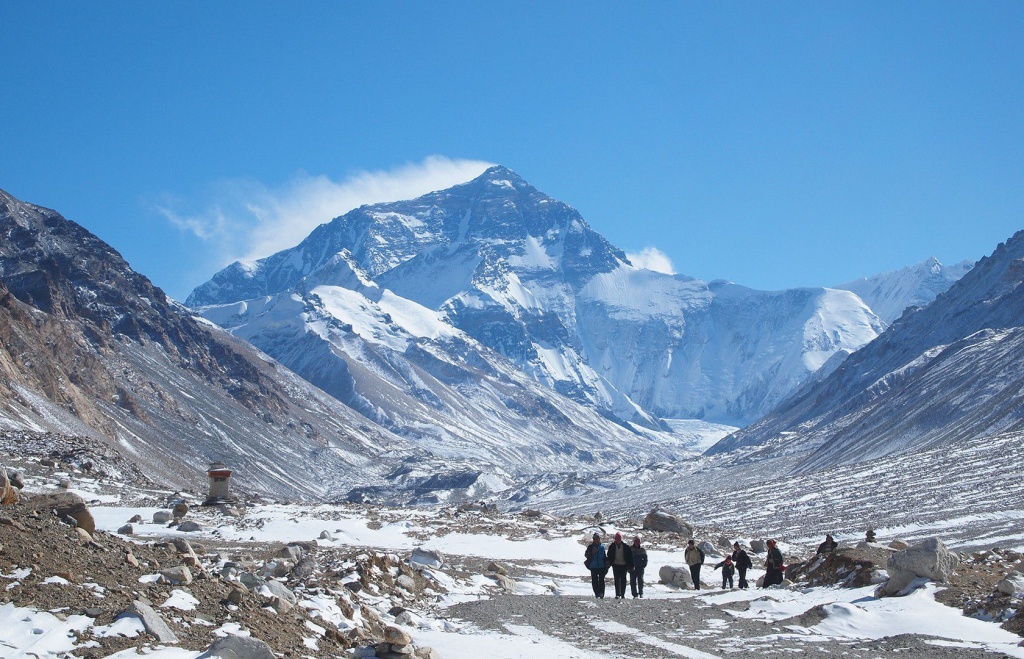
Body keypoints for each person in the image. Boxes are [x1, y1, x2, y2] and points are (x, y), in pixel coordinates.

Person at [605, 532, 634, 599]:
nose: (618, 539)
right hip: (615, 565)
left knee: (623, 580)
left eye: (619, 538)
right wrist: (608, 563)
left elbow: (630, 557)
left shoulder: (626, 547)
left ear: (621, 539)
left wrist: (631, 566)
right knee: (617, 579)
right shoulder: (612, 546)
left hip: (624, 565)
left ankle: (623, 594)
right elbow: (609, 555)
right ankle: (618, 594)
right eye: (616, 538)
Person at [584, 532, 608, 598]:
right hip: (593, 566)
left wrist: (606, 565)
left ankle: (601, 593)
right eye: (595, 539)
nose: (596, 540)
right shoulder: (590, 547)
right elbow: (586, 555)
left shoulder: (602, 547)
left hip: (601, 566)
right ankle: (596, 593)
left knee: (601, 581)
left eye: (598, 538)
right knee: (594, 581)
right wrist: (591, 553)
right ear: (593, 539)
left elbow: (604, 556)